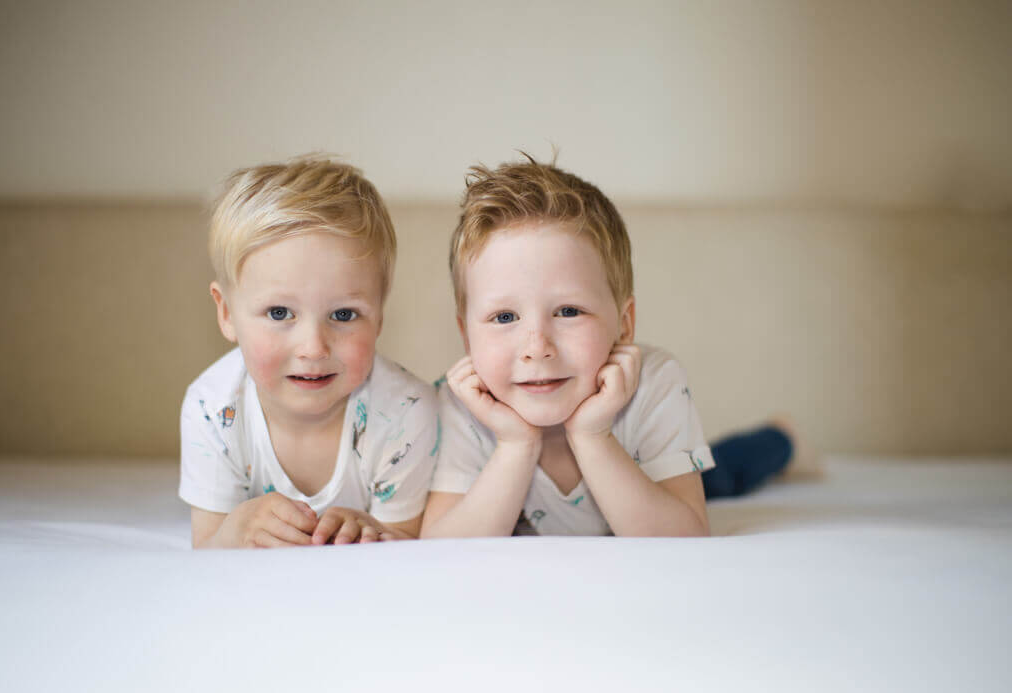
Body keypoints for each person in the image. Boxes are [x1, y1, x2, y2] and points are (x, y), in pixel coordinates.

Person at [421, 156, 815, 539]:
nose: (537, 348)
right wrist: (515, 444)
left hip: (651, 479)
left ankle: (782, 437)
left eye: (569, 311)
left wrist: (593, 436)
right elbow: (442, 545)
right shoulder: (461, 404)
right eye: (505, 317)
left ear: (624, 324)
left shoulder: (653, 382)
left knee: (725, 472)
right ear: (465, 333)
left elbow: (685, 535)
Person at [180, 158, 438, 549]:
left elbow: (408, 543)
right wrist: (235, 530)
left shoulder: (405, 412)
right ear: (227, 313)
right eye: (280, 313)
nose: (314, 348)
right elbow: (206, 547)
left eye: (343, 314)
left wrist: (373, 531)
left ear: (380, 315)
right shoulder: (212, 409)